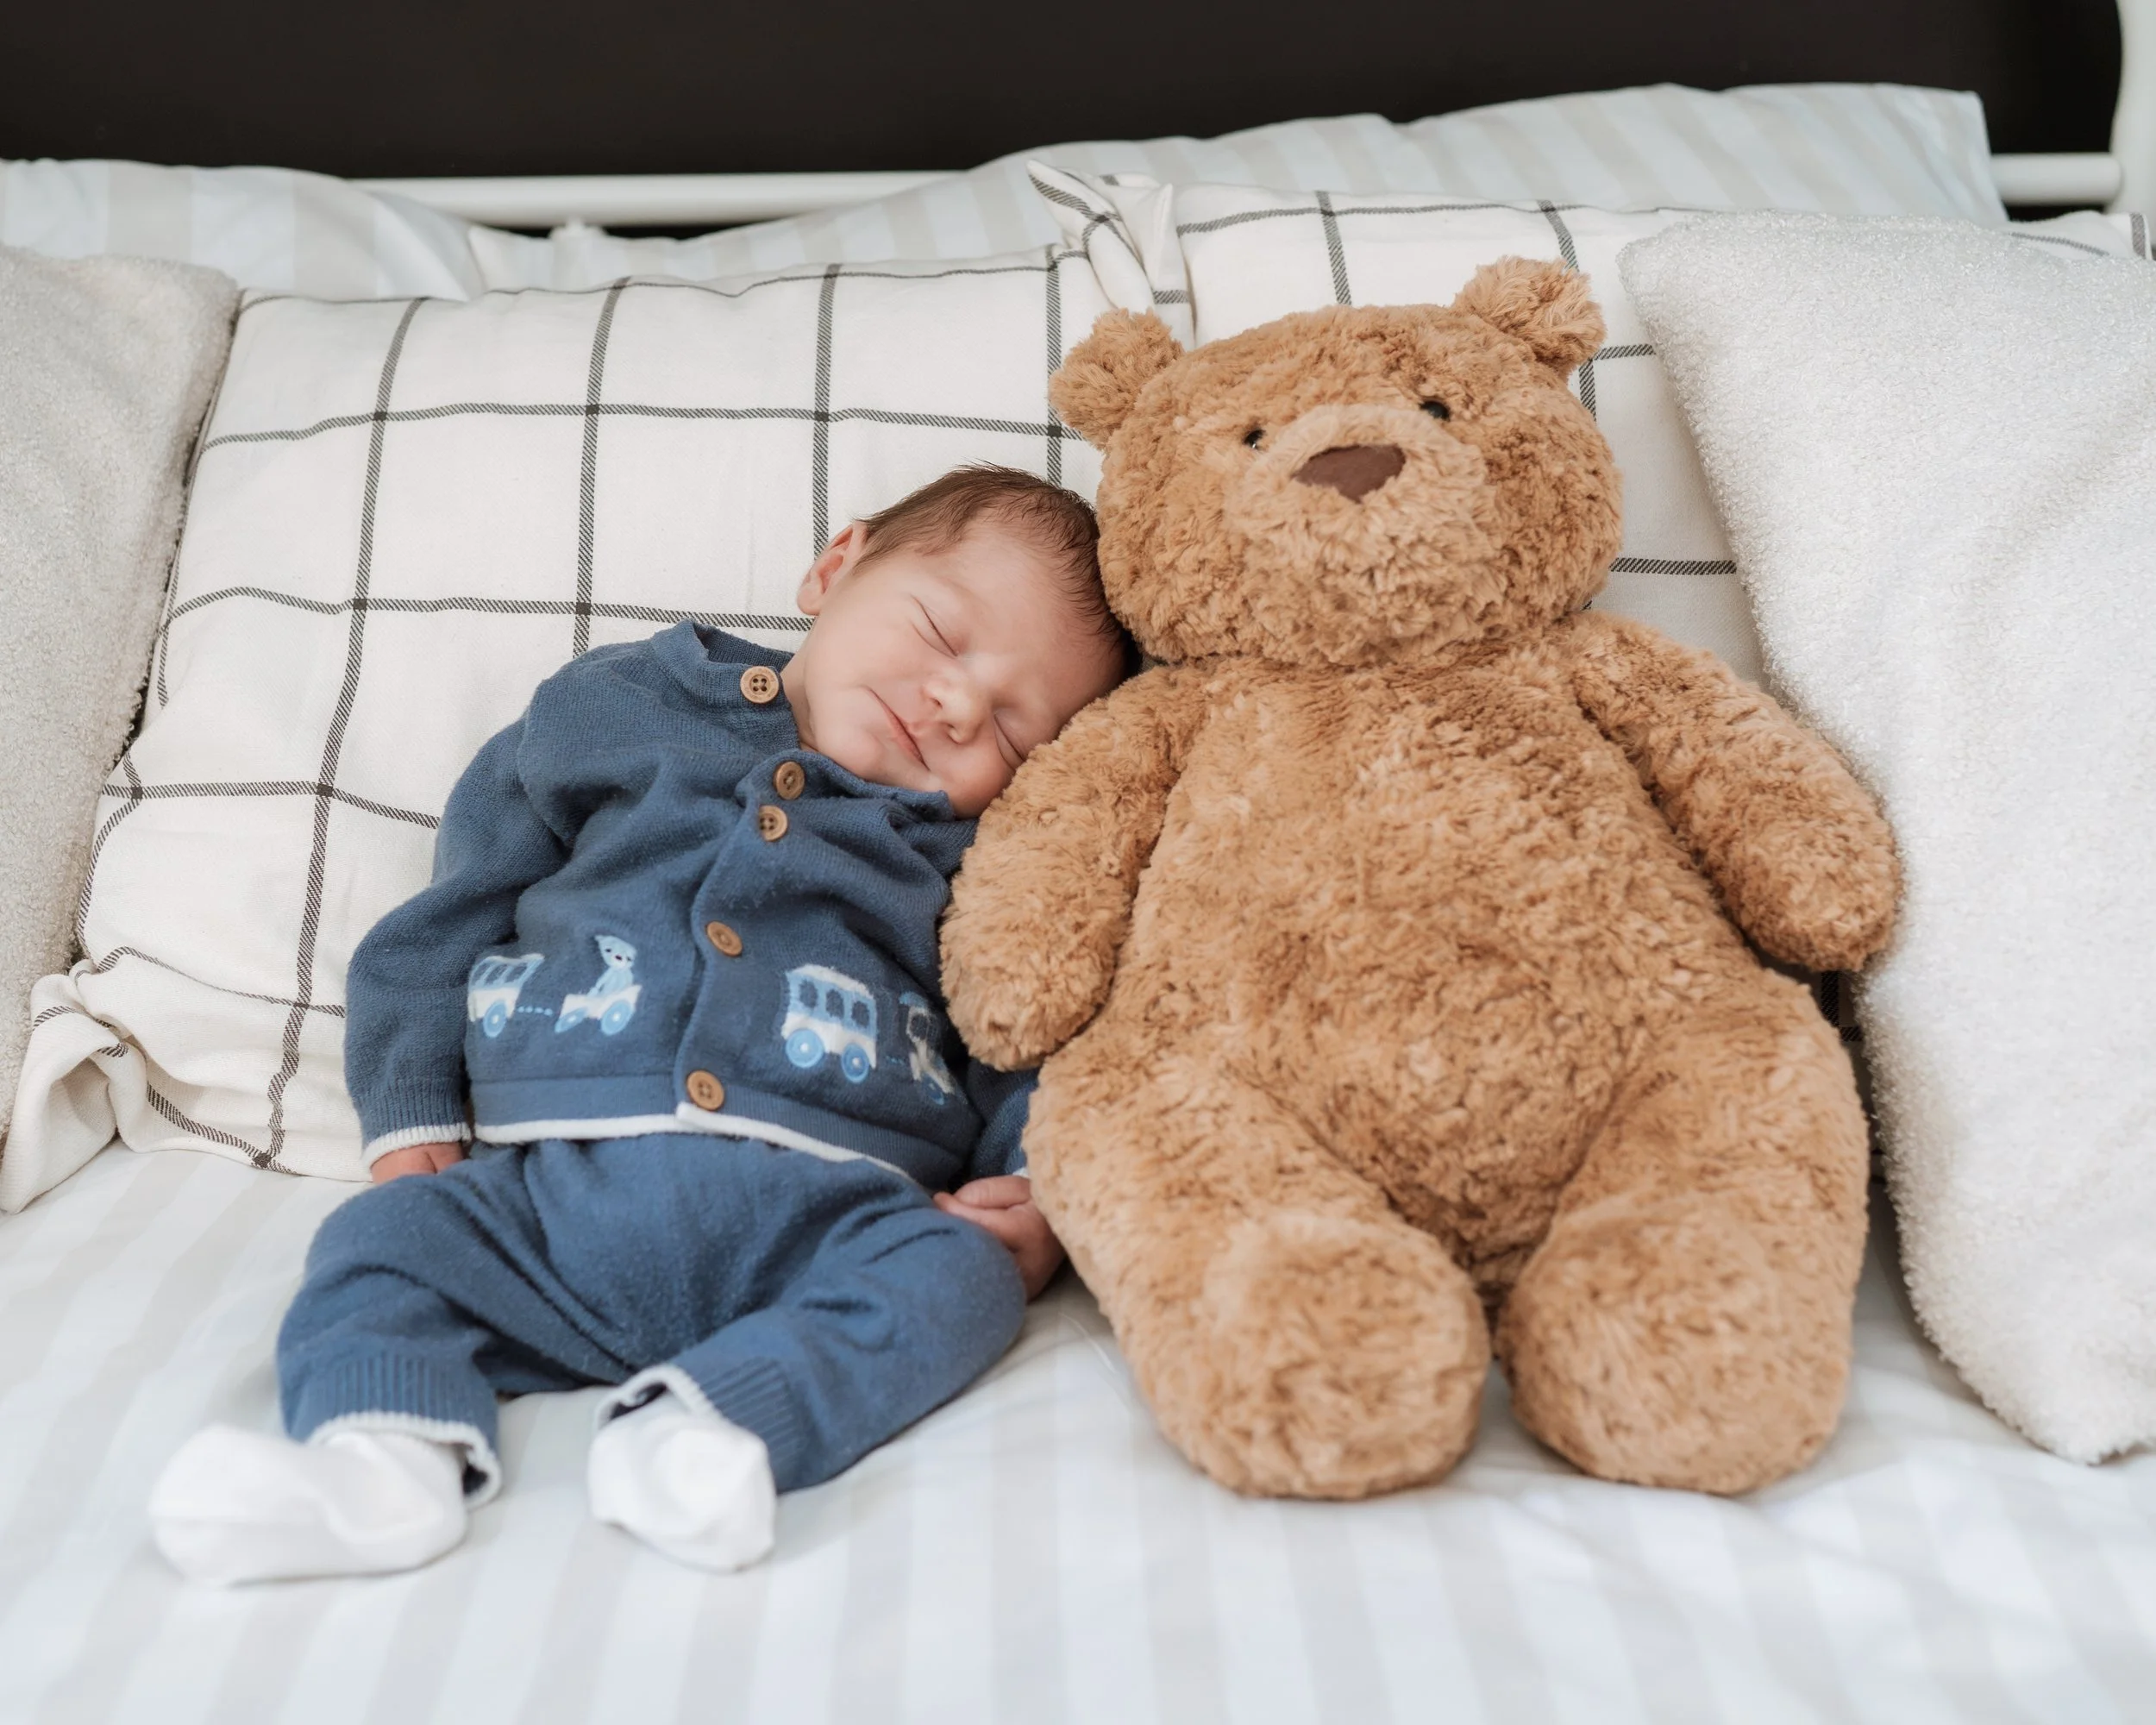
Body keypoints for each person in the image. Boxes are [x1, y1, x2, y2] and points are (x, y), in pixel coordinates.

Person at [148, 466, 1131, 1584]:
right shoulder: (613, 709)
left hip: (832, 1219)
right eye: (941, 633)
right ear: (836, 567)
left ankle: (711, 1433)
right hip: (552, 1201)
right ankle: (384, 1464)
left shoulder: (985, 851)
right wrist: (407, 1102)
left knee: (965, 1281)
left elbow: (1025, 1027)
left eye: (1011, 727)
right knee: (382, 1244)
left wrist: (1033, 1185)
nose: (956, 704)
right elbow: (449, 917)